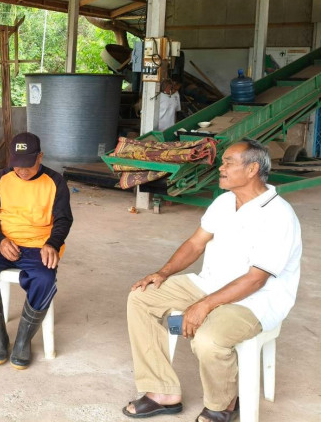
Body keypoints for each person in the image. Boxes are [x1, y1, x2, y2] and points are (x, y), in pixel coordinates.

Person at [122, 139, 302, 421]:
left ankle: (223, 406)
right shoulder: (224, 202)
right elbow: (196, 244)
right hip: (210, 284)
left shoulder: (279, 215)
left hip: (256, 301)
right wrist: (163, 272)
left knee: (208, 339)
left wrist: (204, 305)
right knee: (142, 297)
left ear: (252, 169)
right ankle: (162, 392)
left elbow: (256, 280)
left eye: (229, 162)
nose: (221, 167)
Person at [0, 132, 73, 369]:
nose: (22, 171)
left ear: (40, 157)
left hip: (40, 244)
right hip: (3, 242)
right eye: (17, 164)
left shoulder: (55, 181)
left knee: (44, 277)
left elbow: (63, 219)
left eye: (28, 164)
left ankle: (23, 339)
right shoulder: (1, 178)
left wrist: (52, 243)